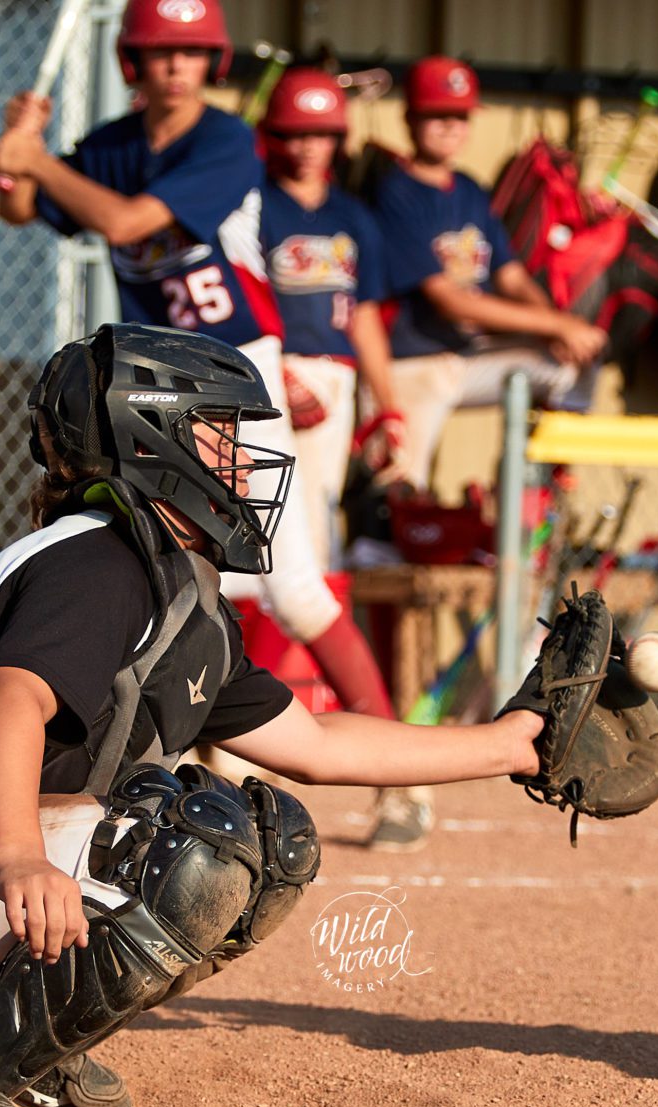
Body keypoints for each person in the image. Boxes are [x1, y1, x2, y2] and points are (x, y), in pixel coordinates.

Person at [0, 324, 546, 1107]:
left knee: (274, 841)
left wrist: (511, 745)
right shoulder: (99, 561)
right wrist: (24, 858)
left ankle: (33, 1043)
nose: (246, 459)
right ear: (153, 438)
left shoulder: (174, 582)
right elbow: (8, 705)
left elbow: (317, 746)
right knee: (183, 838)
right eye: (222, 433)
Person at [0, 0, 407, 839]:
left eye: (189, 52)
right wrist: (13, 164)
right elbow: (22, 211)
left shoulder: (225, 142)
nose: (173, 67)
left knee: (285, 584)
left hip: (232, 369)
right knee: (163, 570)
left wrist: (38, 159)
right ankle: (172, 769)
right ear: (132, 64)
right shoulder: (111, 146)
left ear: (210, 63)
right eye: (156, 52)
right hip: (148, 388)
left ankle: (395, 780)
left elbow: (128, 221)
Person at [251, 66, 430, 849]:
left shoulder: (353, 216)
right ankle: (240, 754)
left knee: (303, 567)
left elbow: (363, 321)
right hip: (262, 376)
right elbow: (240, 303)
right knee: (260, 571)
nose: (308, 147)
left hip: (334, 386)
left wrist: (386, 407)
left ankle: (385, 772)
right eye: (295, 132)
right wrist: (272, 373)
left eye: (322, 133)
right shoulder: (253, 205)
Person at [372, 57, 608, 490]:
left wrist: (558, 332)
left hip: (468, 356)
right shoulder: (395, 192)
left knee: (571, 361)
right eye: (436, 115)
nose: (450, 126)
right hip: (413, 362)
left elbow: (512, 278)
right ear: (409, 118)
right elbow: (451, 300)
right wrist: (556, 322)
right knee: (401, 494)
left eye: (459, 117)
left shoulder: (468, 188)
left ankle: (539, 484)